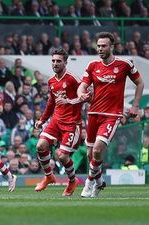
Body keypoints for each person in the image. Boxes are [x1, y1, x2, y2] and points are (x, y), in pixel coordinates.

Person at [77, 32, 144, 198]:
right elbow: (82, 86)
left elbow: (140, 83)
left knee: (98, 150)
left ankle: (89, 184)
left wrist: (135, 105)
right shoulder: (92, 65)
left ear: (111, 46)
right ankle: (99, 183)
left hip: (112, 115)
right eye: (98, 46)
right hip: (93, 114)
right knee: (90, 154)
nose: (100, 49)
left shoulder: (124, 64)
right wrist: (81, 94)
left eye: (104, 46)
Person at [34, 48, 84, 196]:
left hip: (72, 124)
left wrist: (69, 101)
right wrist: (42, 120)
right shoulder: (51, 81)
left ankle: (72, 180)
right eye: (53, 61)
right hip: (55, 121)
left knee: (62, 156)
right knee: (40, 146)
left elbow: (87, 96)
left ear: (65, 62)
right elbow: (51, 103)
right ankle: (49, 176)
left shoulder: (73, 79)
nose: (55, 63)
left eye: (58, 61)